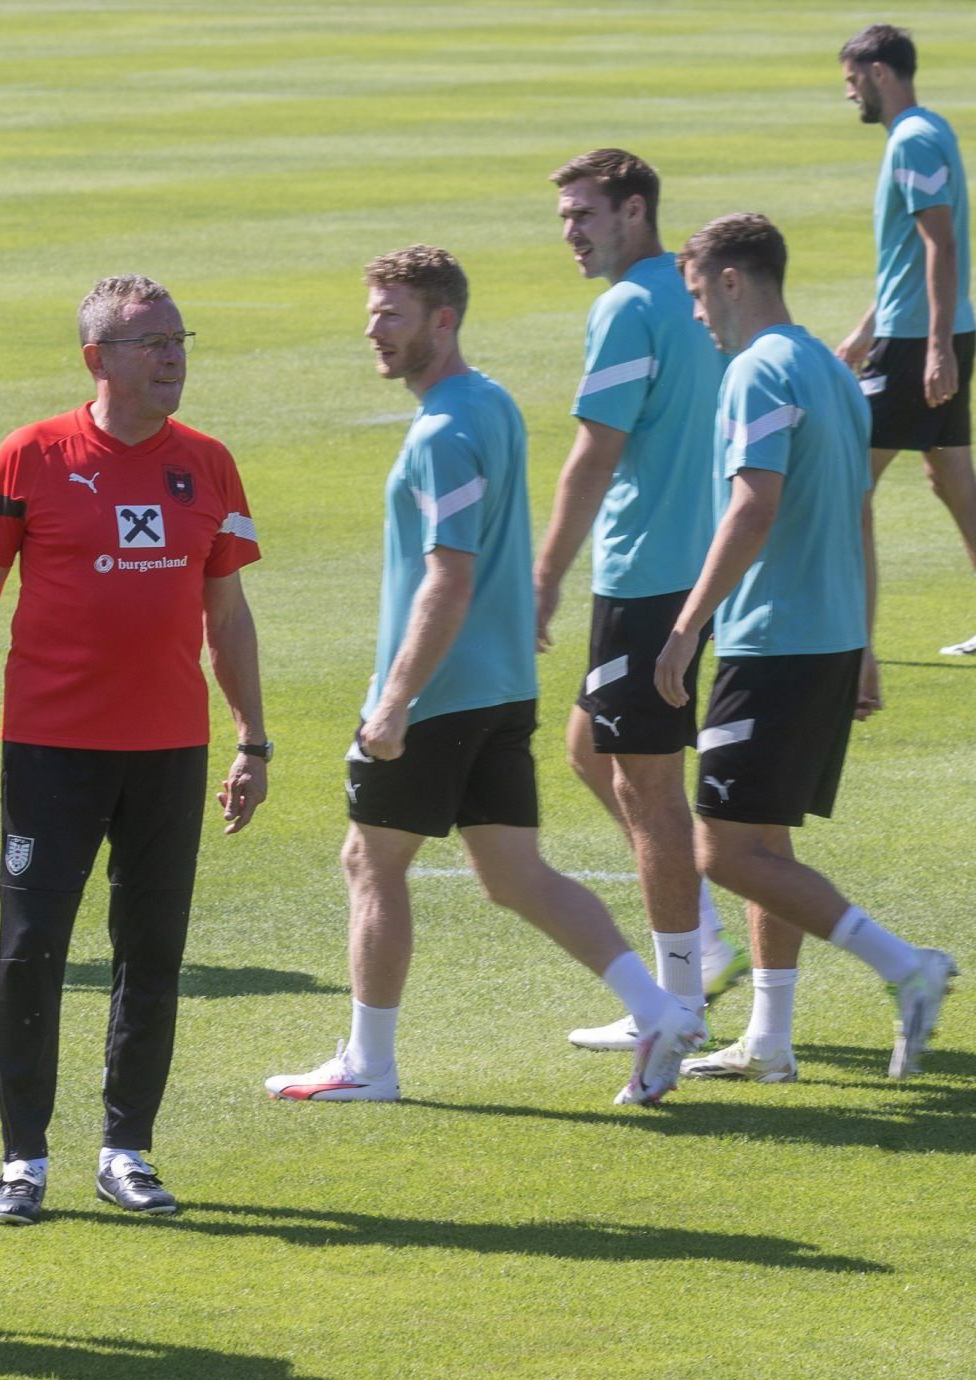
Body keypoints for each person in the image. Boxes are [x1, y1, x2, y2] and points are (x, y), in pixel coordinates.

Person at [262, 245, 703, 1111]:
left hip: (441, 692)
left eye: (392, 314)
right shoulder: (490, 403)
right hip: (500, 687)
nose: (373, 330)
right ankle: (659, 1012)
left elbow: (449, 578)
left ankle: (369, 1063)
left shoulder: (443, 433)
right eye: (372, 312)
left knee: (369, 861)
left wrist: (395, 702)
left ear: (443, 319)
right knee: (514, 874)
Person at [0, 273, 269, 1224]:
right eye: (152, 342)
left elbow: (227, 612)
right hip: (51, 749)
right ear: (99, 359)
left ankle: (127, 1150)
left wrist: (252, 740)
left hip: (168, 751)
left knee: (151, 952)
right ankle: (22, 1161)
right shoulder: (32, 455)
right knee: (31, 951)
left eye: (179, 340)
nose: (173, 357)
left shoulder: (209, 464)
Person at [659, 214, 955, 1085]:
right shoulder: (831, 368)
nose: (698, 315)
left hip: (773, 642)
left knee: (722, 851)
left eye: (698, 294)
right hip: (827, 638)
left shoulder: (756, 370)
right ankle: (770, 1039)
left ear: (731, 281)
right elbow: (859, 514)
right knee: (766, 841)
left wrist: (687, 626)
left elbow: (753, 505)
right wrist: (864, 641)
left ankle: (906, 965)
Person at [537, 149, 745, 1058]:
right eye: (564, 218)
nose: (571, 233)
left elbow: (595, 453)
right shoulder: (695, 293)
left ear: (633, 211)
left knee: (647, 790)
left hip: (649, 574)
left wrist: (544, 575)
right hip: (709, 565)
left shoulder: (626, 306)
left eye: (584, 215)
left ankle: (678, 1001)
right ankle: (705, 942)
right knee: (589, 744)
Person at [836, 24, 976, 656]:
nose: (850, 94)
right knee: (952, 480)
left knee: (846, 484)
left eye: (853, 80)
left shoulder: (912, 141)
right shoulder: (929, 129)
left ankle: (849, 642)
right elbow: (909, 257)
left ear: (880, 73)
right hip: (929, 331)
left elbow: (938, 242)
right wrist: (867, 328)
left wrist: (936, 346)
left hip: (921, 342)